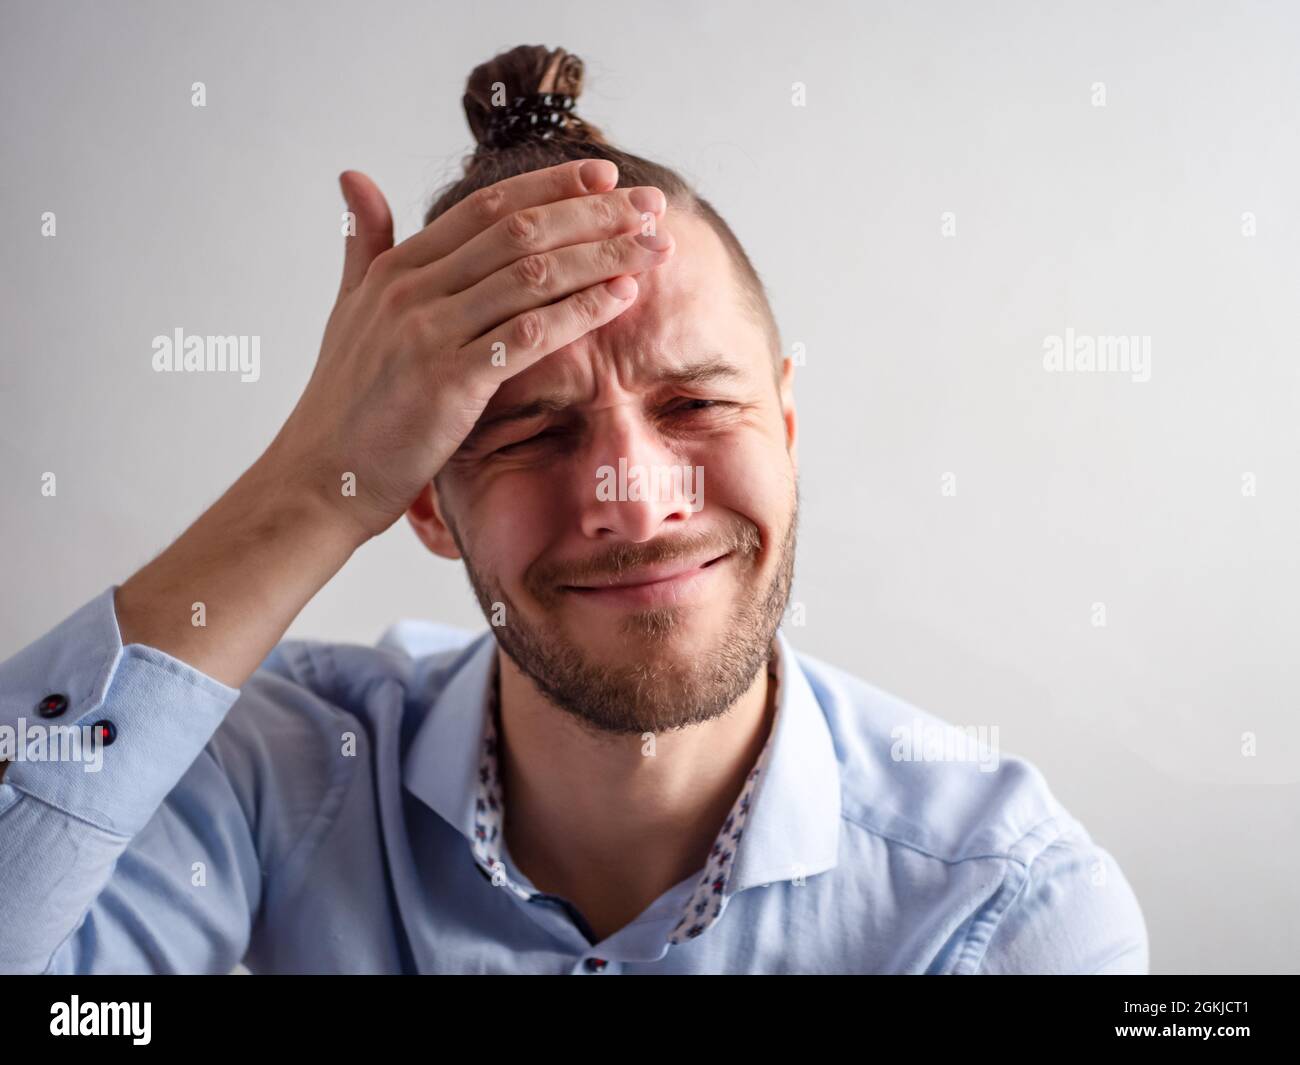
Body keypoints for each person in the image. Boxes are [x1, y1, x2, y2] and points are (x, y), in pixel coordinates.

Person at [0, 45, 1148, 974]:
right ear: (427, 508)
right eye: (533, 434)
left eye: (695, 403)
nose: (635, 502)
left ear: (786, 431)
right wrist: (312, 482)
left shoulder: (1004, 911)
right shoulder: (279, 773)